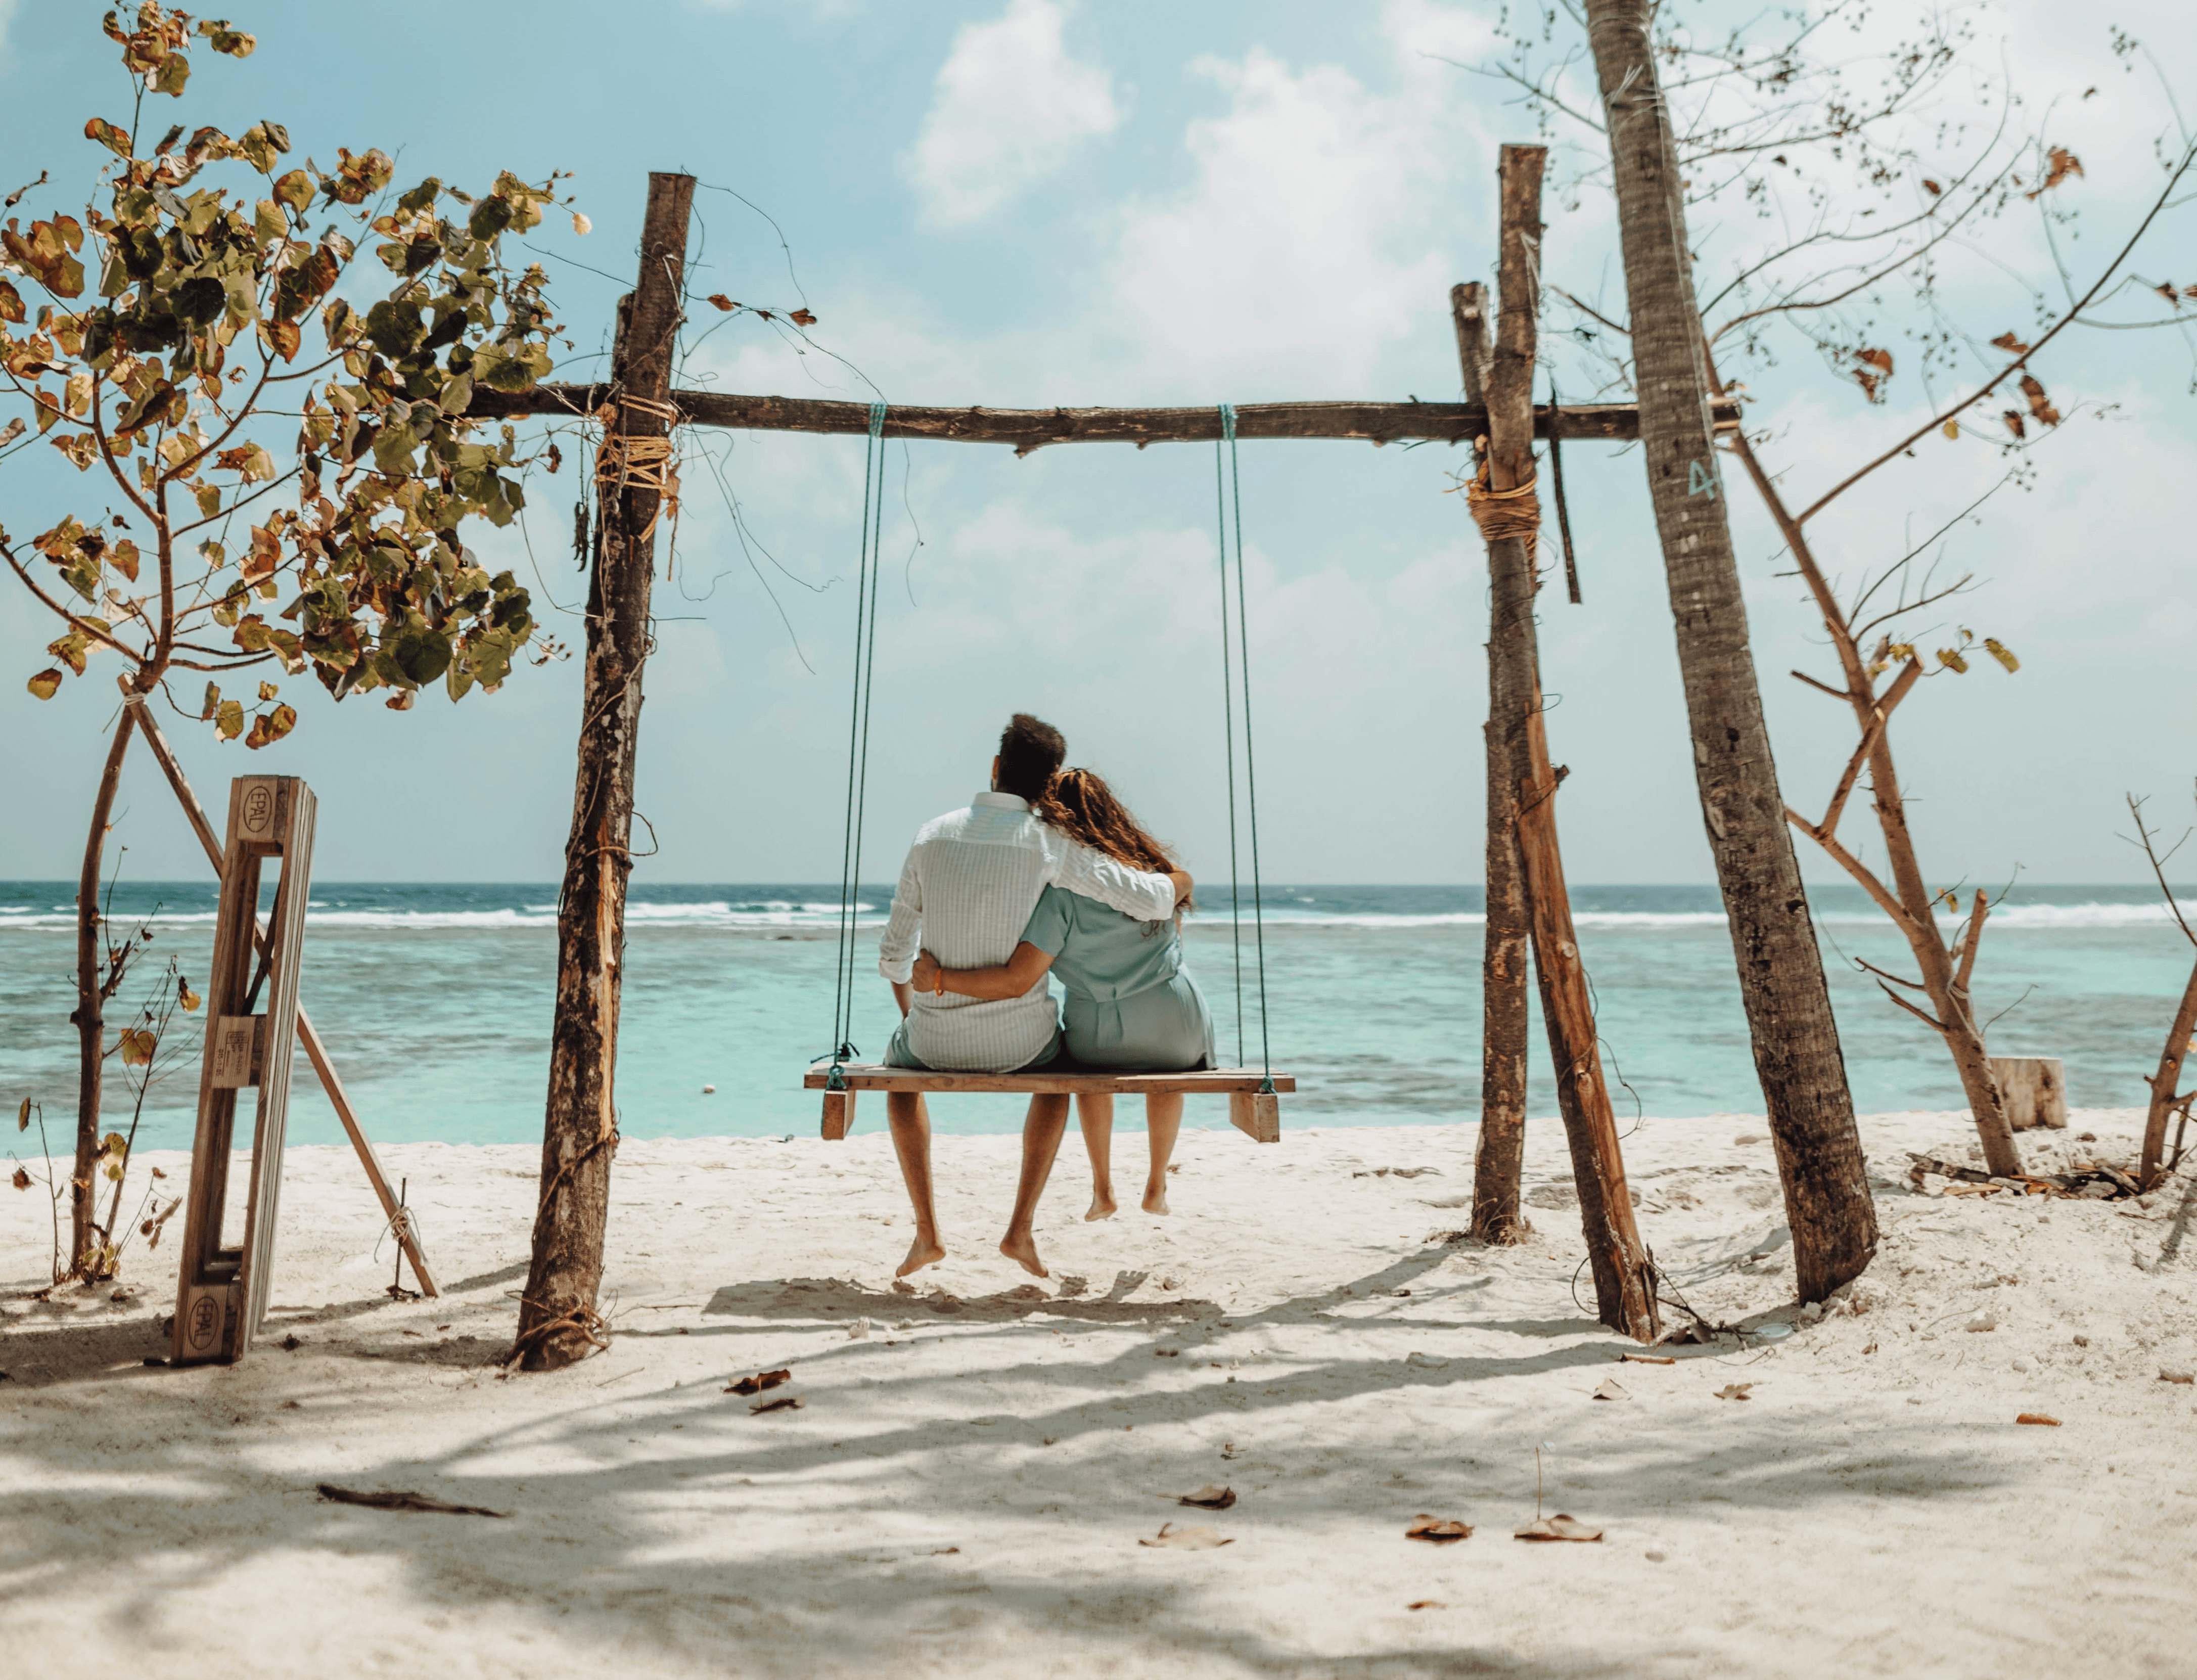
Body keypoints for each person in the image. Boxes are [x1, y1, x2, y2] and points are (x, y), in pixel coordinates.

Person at [875, 715, 1191, 1281]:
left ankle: (926, 1232)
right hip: (1024, 1042)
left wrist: (919, 1013)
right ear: (1049, 787)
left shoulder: (930, 835)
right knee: (1057, 1084)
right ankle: (1019, 1229)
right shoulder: (1052, 842)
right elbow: (1149, 901)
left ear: (994, 769)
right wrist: (1178, 882)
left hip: (931, 1038)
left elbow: (894, 955)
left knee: (900, 1082)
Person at [912, 767, 1214, 1233]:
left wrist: (941, 977)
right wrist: (1181, 878)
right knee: (1169, 1079)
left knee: (1088, 1072)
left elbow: (1019, 978)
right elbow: (1180, 901)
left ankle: (1103, 1187)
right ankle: (1156, 1183)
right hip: (1177, 1022)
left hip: (1099, 1034)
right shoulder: (1152, 879)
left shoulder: (1058, 895)